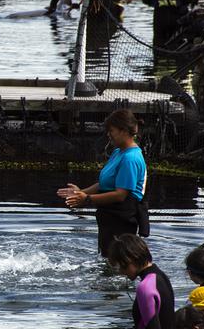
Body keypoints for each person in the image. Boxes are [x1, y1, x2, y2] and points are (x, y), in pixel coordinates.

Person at [57, 109, 149, 257]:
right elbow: (104, 183)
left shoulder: (130, 158)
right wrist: (82, 192)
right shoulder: (118, 152)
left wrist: (86, 199)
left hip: (121, 218)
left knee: (119, 260)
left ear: (124, 131)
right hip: (108, 217)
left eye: (111, 130)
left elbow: (120, 195)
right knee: (108, 257)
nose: (108, 134)